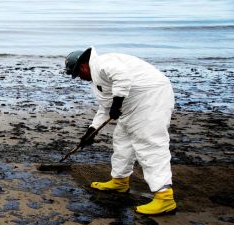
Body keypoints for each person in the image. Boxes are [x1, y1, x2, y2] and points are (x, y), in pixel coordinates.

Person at [64, 47, 177, 215]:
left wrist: (117, 103)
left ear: (82, 66)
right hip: (132, 103)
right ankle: (120, 181)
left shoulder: (103, 63)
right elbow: (105, 108)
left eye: (78, 74)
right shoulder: (98, 79)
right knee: (121, 139)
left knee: (149, 144)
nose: (80, 78)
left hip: (151, 97)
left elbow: (122, 77)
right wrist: (91, 131)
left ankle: (164, 197)